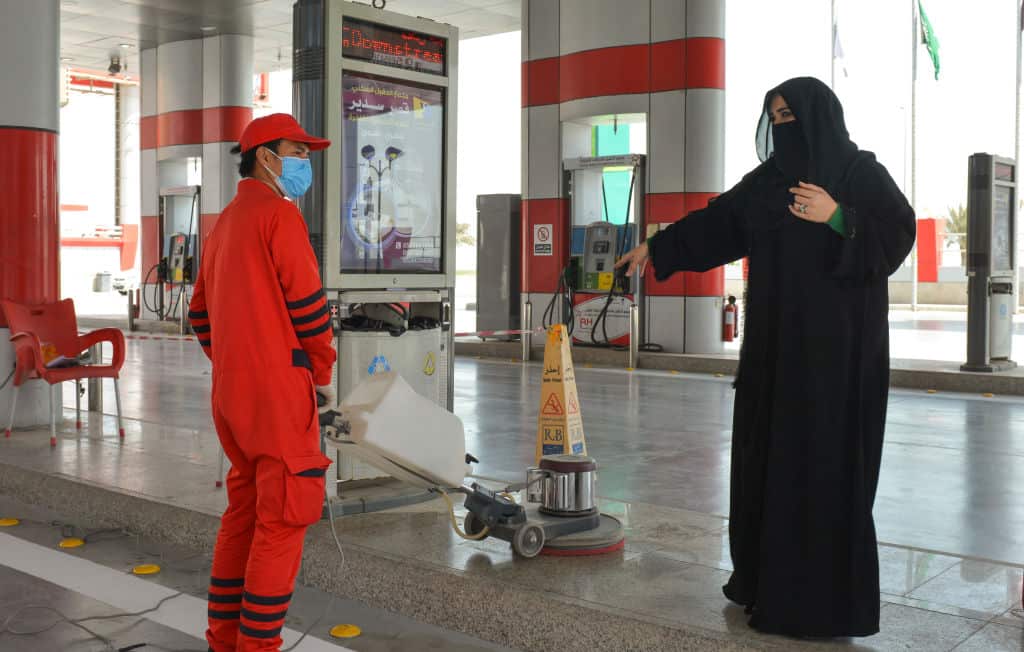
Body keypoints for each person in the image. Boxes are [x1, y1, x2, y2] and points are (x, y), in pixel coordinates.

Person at [617, 77, 915, 637]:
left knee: (826, 470)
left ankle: (825, 603)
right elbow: (719, 221)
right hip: (775, 357)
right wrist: (658, 247)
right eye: (774, 116)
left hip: (838, 365)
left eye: (790, 116)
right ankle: (766, 583)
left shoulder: (859, 174)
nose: (782, 126)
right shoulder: (769, 183)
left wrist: (838, 216)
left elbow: (896, 236)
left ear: (819, 117)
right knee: (769, 462)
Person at [188, 113, 337, 651]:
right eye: (298, 151)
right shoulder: (280, 215)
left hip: (232, 395)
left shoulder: (224, 222)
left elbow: (199, 312)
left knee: (245, 511)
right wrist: (319, 372)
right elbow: (309, 306)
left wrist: (234, 360)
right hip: (278, 395)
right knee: (284, 518)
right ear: (267, 157)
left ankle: (222, 641)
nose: (305, 162)